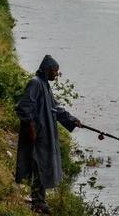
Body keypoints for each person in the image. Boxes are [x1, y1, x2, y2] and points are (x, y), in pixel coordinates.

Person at [15, 55, 81, 214]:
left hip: (45, 135)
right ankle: (38, 202)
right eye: (55, 71)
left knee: (43, 165)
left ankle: (40, 200)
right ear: (47, 70)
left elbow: (55, 108)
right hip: (38, 135)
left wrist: (71, 120)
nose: (56, 75)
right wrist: (31, 128)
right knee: (39, 165)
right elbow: (23, 107)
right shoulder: (35, 84)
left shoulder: (45, 85)